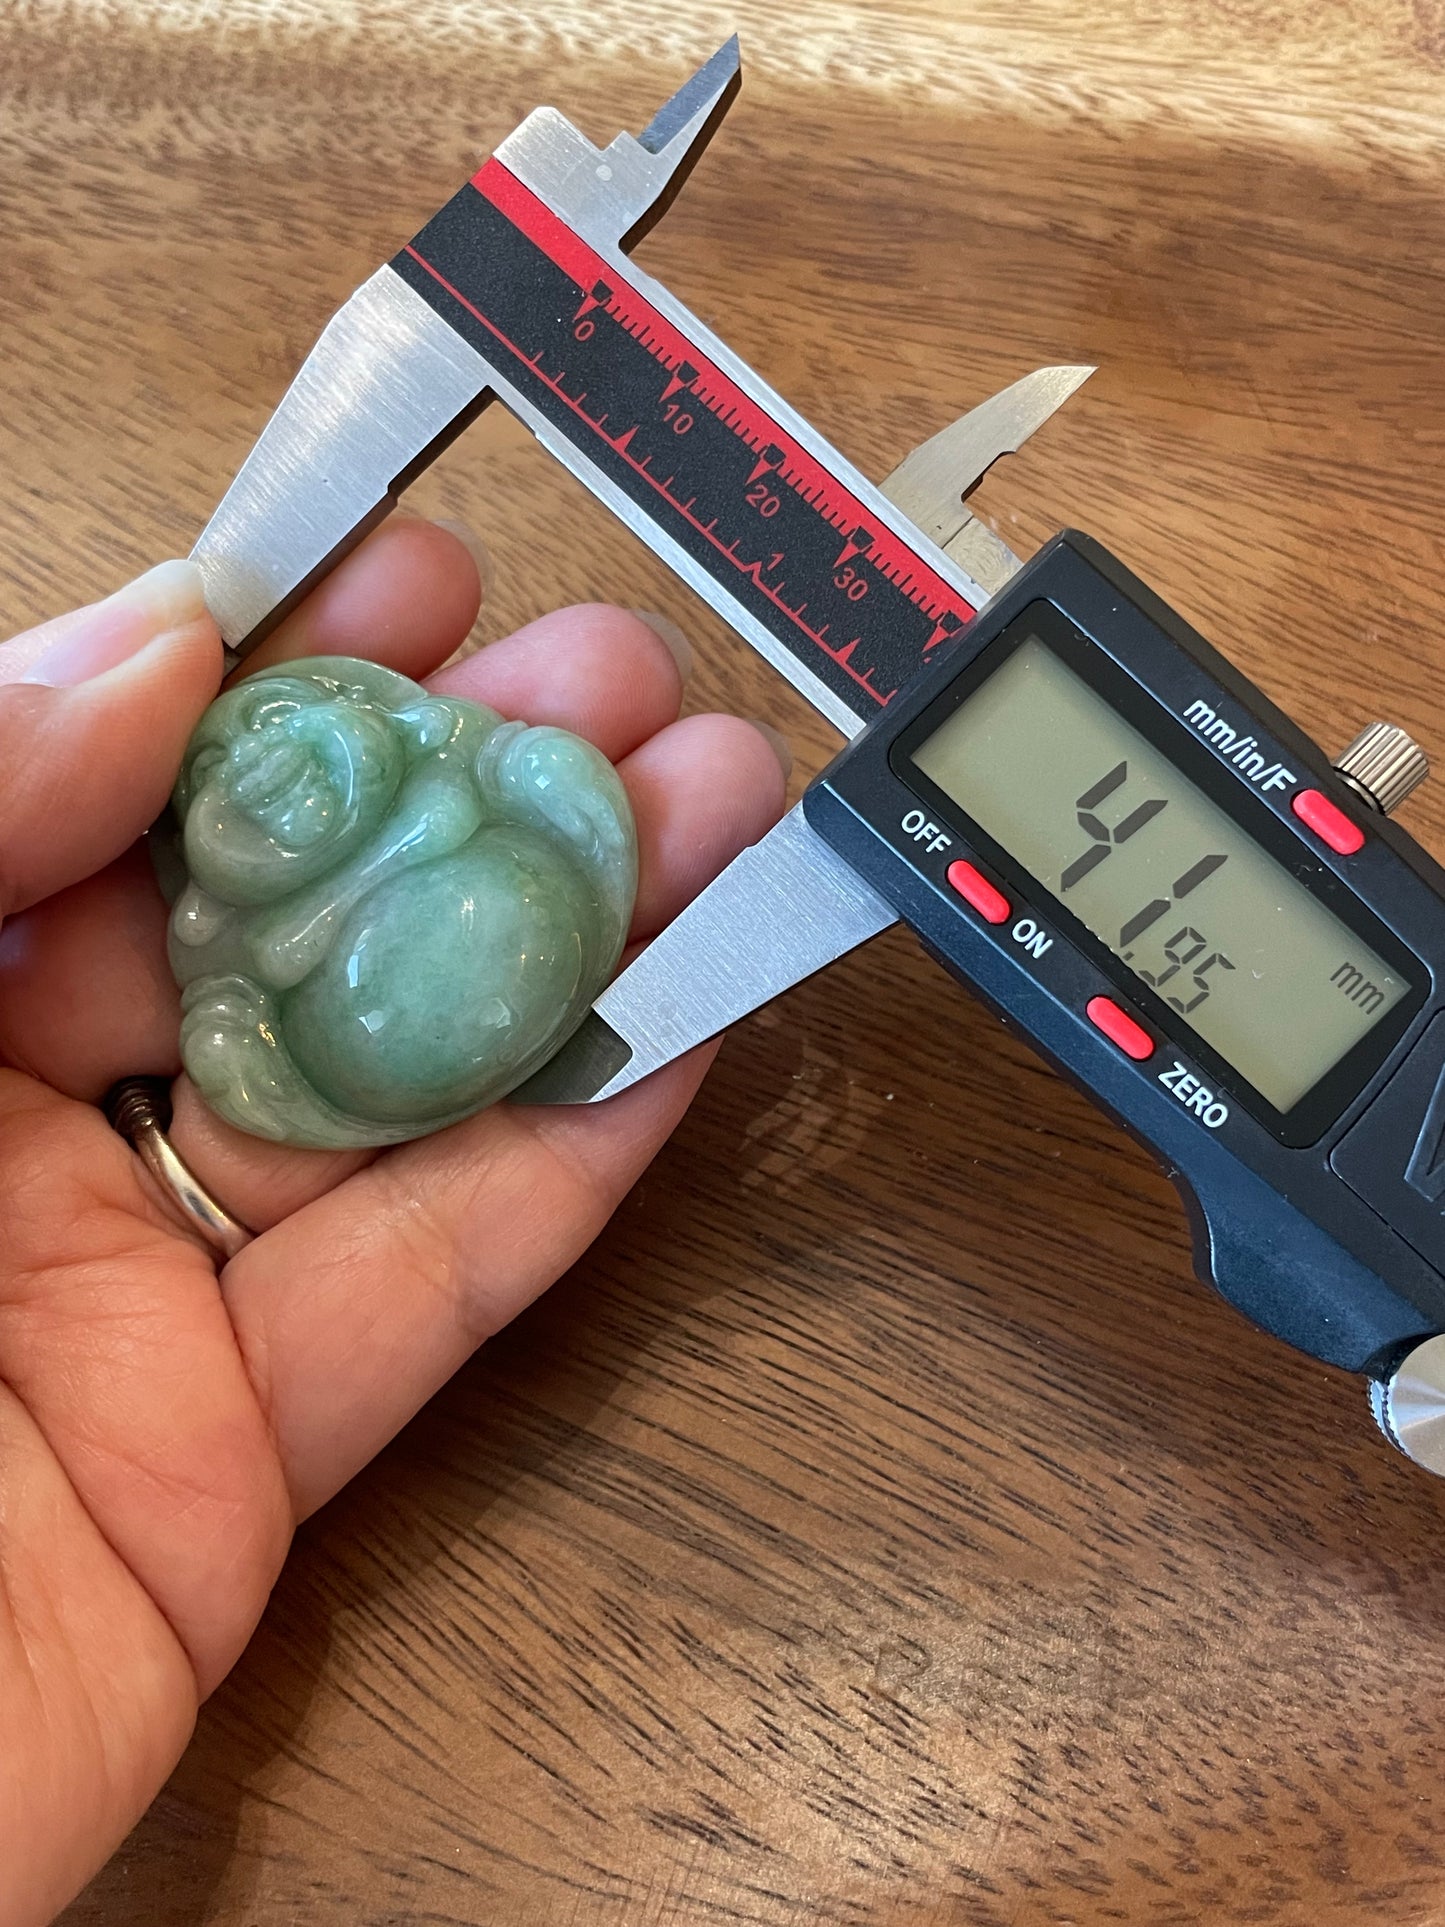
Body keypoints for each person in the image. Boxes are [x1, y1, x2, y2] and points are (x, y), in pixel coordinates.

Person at [0, 517, 789, 1926]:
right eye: (243, 790)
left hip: (483, 919)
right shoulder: (219, 932)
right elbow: (237, 960)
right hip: (351, 1035)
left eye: (297, 748)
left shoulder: (459, 767)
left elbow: (499, 785)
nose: (274, 781)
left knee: (555, 772)